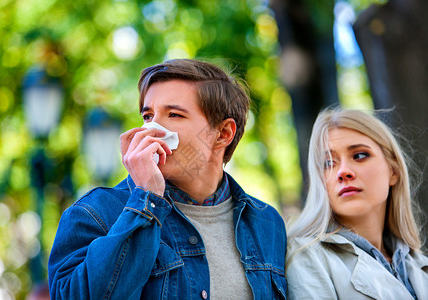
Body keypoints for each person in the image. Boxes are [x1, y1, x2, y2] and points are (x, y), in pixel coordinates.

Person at [48, 59, 287, 299]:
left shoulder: (267, 223)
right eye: (148, 116)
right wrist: (146, 199)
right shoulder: (95, 213)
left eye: (174, 115)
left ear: (223, 134)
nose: (151, 130)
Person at [285, 108, 428, 299]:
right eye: (328, 163)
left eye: (359, 155)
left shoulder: (421, 266)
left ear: (393, 171)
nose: (343, 172)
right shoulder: (308, 256)